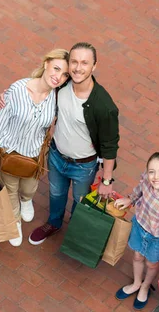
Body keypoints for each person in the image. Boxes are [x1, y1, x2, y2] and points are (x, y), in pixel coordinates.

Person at [28, 42, 120, 245]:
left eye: (85, 63)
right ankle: (54, 223)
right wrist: (9, 95)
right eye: (74, 62)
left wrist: (106, 181)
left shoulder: (104, 106)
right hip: (56, 156)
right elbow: (38, 84)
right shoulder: (61, 84)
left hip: (83, 166)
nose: (78, 68)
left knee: (80, 202)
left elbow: (110, 145)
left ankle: (75, 232)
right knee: (56, 194)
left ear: (94, 66)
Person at [0, 49, 70, 246]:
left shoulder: (58, 98)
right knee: (10, 188)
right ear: (46, 63)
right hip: (9, 150)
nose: (58, 77)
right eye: (56, 68)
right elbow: (1, 120)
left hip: (34, 153)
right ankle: (15, 222)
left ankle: (26, 200)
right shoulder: (17, 89)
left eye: (64, 74)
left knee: (30, 187)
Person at [114, 152, 159, 309]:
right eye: (151, 171)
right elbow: (138, 190)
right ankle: (136, 283)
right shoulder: (147, 181)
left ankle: (145, 287)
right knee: (137, 256)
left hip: (157, 239)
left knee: (152, 265)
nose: (156, 177)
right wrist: (130, 199)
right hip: (139, 228)